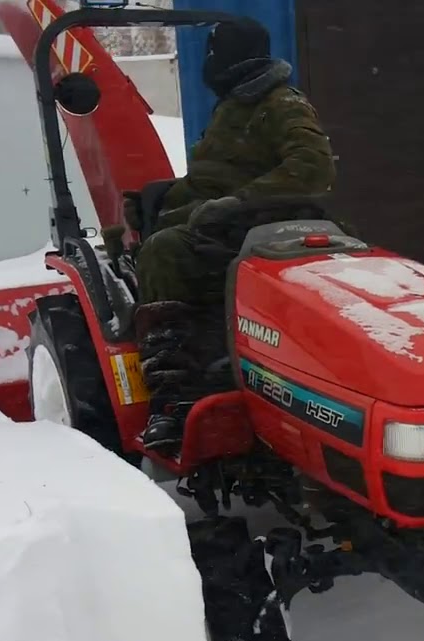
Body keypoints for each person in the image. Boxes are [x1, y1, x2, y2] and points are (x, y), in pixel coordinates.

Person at [107, 18, 336, 454]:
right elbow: (220, 176)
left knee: (162, 253)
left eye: (214, 53)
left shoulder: (280, 103)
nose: (208, 63)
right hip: (222, 224)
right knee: (146, 240)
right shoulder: (236, 105)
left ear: (235, 55)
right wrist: (164, 198)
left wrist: (238, 203)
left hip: (252, 230)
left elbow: (313, 170)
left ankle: (175, 399)